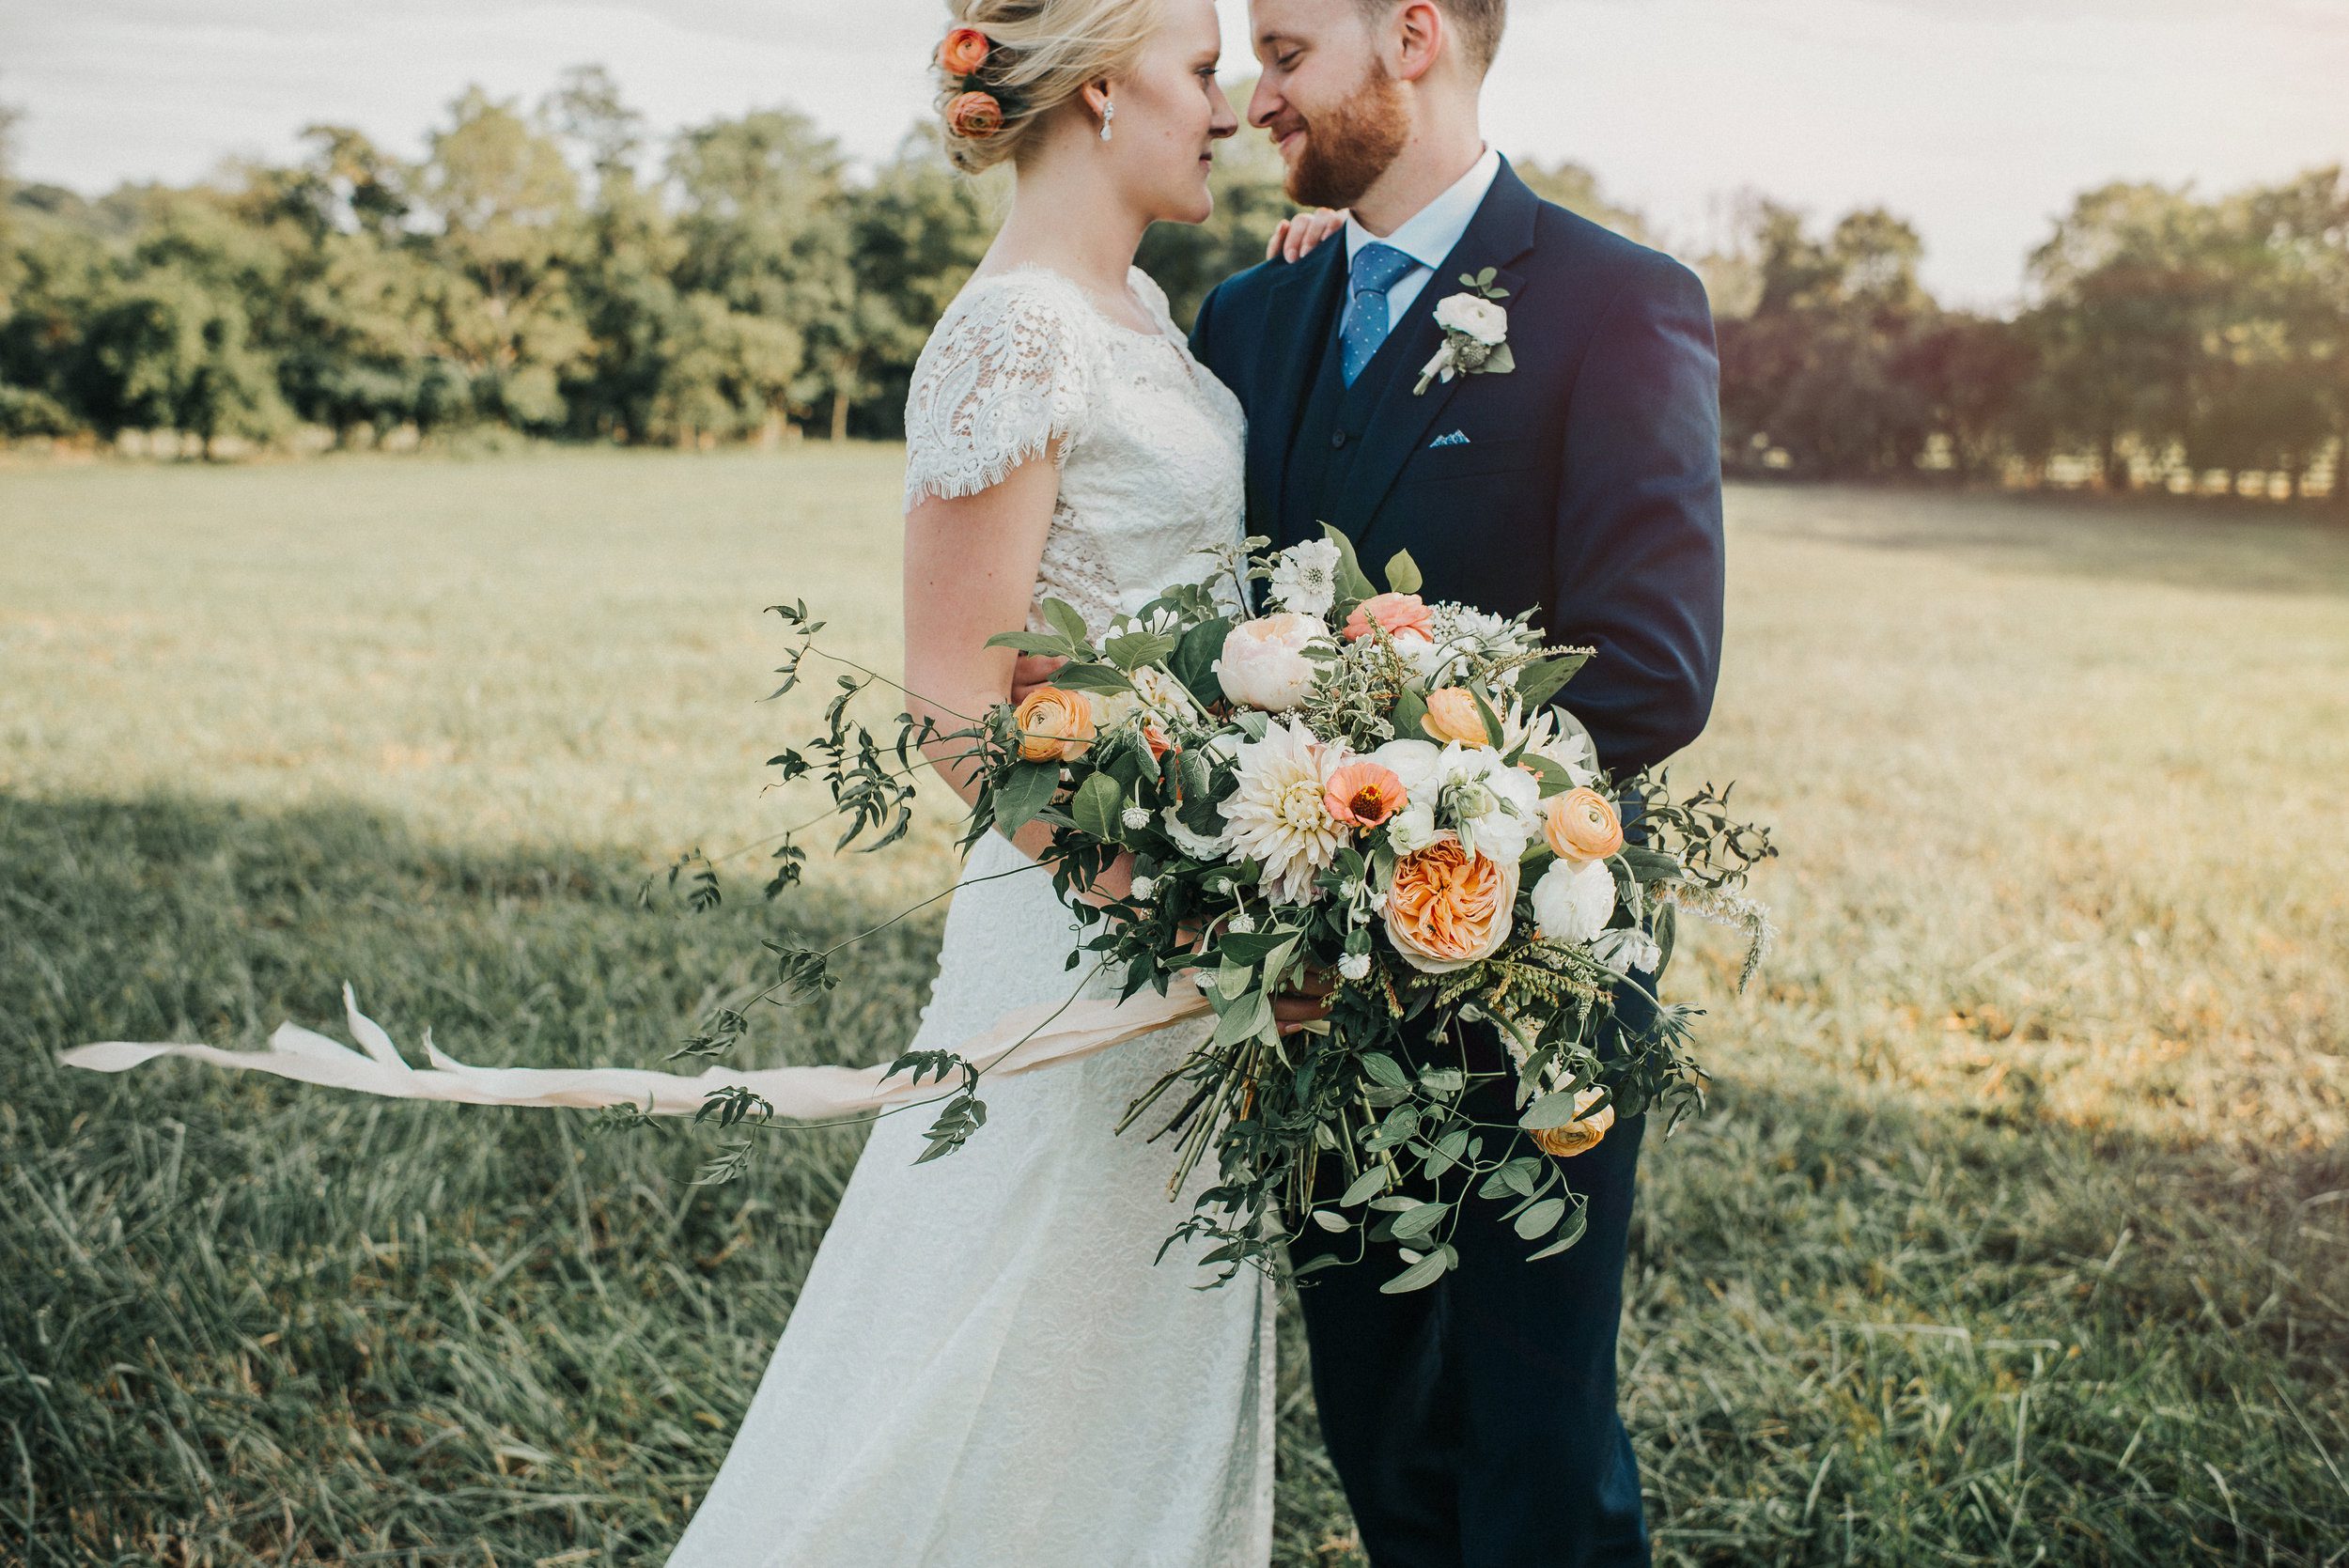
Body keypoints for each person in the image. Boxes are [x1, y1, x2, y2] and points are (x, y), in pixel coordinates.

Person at [666, 0, 1282, 1561]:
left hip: (1189, 907)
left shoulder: (1137, 301)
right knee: (997, 1301)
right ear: (1094, 87)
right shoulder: (1014, 329)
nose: (1230, 107)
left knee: (1128, 1321)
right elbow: (953, 699)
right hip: (1094, 918)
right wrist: (1158, 900)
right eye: (1204, 71)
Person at [1183, 1, 1727, 1562]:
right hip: (1310, 988)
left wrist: (1407, 789)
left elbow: (1654, 664)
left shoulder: (1624, 303)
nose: (1256, 96)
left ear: (1412, 35)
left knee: (1537, 1447)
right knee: (1380, 1425)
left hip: (1538, 967)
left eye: (1286, 52)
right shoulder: (1250, 317)